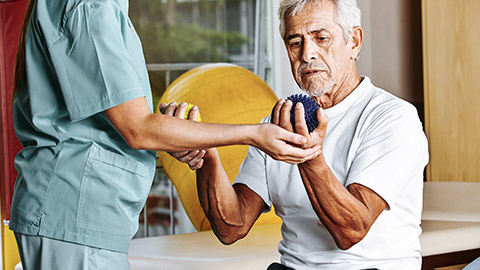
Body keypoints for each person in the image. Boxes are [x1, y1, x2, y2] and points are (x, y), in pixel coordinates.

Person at [9, 0, 322, 269]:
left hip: (82, 215)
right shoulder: (90, 7)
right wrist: (255, 133)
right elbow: (137, 128)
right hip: (73, 213)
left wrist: (178, 135)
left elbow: (118, 123)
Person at [185, 0, 429, 269]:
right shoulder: (274, 124)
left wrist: (309, 156)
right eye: (295, 42)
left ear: (354, 42)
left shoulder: (392, 117)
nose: (307, 54)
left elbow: (351, 231)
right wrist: (206, 155)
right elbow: (232, 227)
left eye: (321, 38)